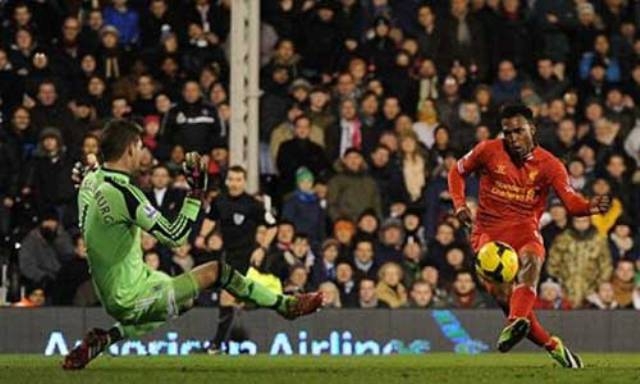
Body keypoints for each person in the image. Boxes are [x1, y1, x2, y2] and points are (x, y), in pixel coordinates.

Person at [63, 120, 322, 370]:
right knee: (217, 272)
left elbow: (90, 176)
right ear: (130, 148)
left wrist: (89, 169)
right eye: (140, 146)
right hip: (129, 295)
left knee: (185, 301)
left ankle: (104, 339)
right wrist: (195, 194)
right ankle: (286, 305)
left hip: (126, 280)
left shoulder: (91, 181)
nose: (142, 153)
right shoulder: (124, 194)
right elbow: (175, 237)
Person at [448, 104, 610, 368]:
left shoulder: (551, 165)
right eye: (507, 133)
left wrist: (591, 206)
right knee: (503, 296)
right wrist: (460, 205)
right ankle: (552, 345)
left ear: (532, 129)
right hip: (488, 233)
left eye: (519, 131)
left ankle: (515, 321)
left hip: (524, 228)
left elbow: (572, 204)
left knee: (531, 261)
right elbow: (457, 171)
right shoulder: (488, 150)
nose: (513, 138)